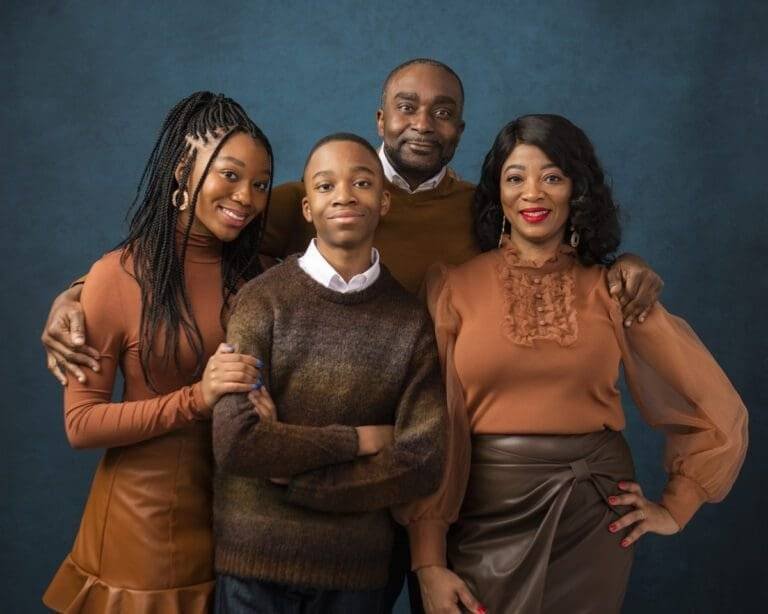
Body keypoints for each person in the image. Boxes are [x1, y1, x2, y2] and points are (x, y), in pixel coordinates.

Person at [40, 60, 664, 610]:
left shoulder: (483, 209)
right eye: (407, 106)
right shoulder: (306, 201)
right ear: (378, 119)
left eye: (443, 112)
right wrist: (78, 294)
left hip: (421, 480)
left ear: (460, 132)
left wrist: (621, 267)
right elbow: (181, 250)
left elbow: (547, 241)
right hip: (255, 508)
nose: (423, 122)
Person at [408, 114, 748, 614]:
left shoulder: (615, 289)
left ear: (577, 191)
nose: (533, 194)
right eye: (515, 177)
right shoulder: (452, 288)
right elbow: (429, 429)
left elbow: (715, 403)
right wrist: (428, 561)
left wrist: (676, 507)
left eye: (552, 177)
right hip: (482, 511)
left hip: (593, 512)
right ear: (497, 193)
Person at [43, 92, 273, 613]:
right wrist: (198, 397)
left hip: (237, 520)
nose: (247, 197)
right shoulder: (118, 274)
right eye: (230, 175)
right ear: (182, 171)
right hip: (144, 526)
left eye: (260, 184)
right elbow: (82, 423)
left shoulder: (255, 274)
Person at [211, 133, 447, 612]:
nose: (344, 195)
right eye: (325, 185)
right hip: (253, 563)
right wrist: (359, 441)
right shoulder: (261, 301)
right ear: (305, 207)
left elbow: (422, 459)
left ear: (384, 202)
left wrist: (298, 479)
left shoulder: (410, 320)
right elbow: (237, 443)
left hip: (355, 572)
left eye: (361, 182)